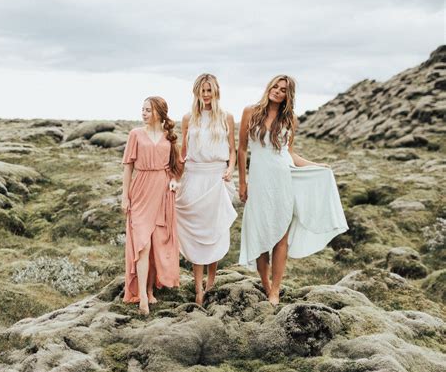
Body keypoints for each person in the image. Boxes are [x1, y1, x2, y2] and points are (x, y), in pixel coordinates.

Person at [238, 75, 348, 306]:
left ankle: (275, 290)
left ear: (288, 95)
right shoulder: (250, 111)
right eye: (275, 87)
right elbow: (241, 150)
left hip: (283, 181)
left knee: (281, 237)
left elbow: (290, 154)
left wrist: (316, 166)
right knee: (259, 235)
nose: (277, 91)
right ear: (269, 87)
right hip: (258, 183)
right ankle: (265, 284)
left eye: (283, 90)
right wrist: (243, 182)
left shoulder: (290, 120)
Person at [176, 74, 237, 304]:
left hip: (217, 177)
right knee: (196, 234)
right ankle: (198, 288)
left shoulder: (226, 118)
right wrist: (174, 178)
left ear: (216, 91)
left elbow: (232, 150)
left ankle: (211, 283)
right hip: (194, 176)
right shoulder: (188, 119)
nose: (206, 94)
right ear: (196, 92)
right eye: (202, 90)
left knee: (215, 231)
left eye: (210, 90)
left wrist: (231, 169)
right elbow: (183, 152)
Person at [121, 96, 182, 315]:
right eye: (143, 109)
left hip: (163, 192)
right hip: (140, 191)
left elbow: (177, 168)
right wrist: (124, 196)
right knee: (142, 244)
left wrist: (175, 181)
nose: (144, 113)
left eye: (148, 110)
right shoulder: (135, 134)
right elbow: (128, 167)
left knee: (156, 242)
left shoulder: (169, 137)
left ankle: (149, 288)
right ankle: (143, 297)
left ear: (159, 112)